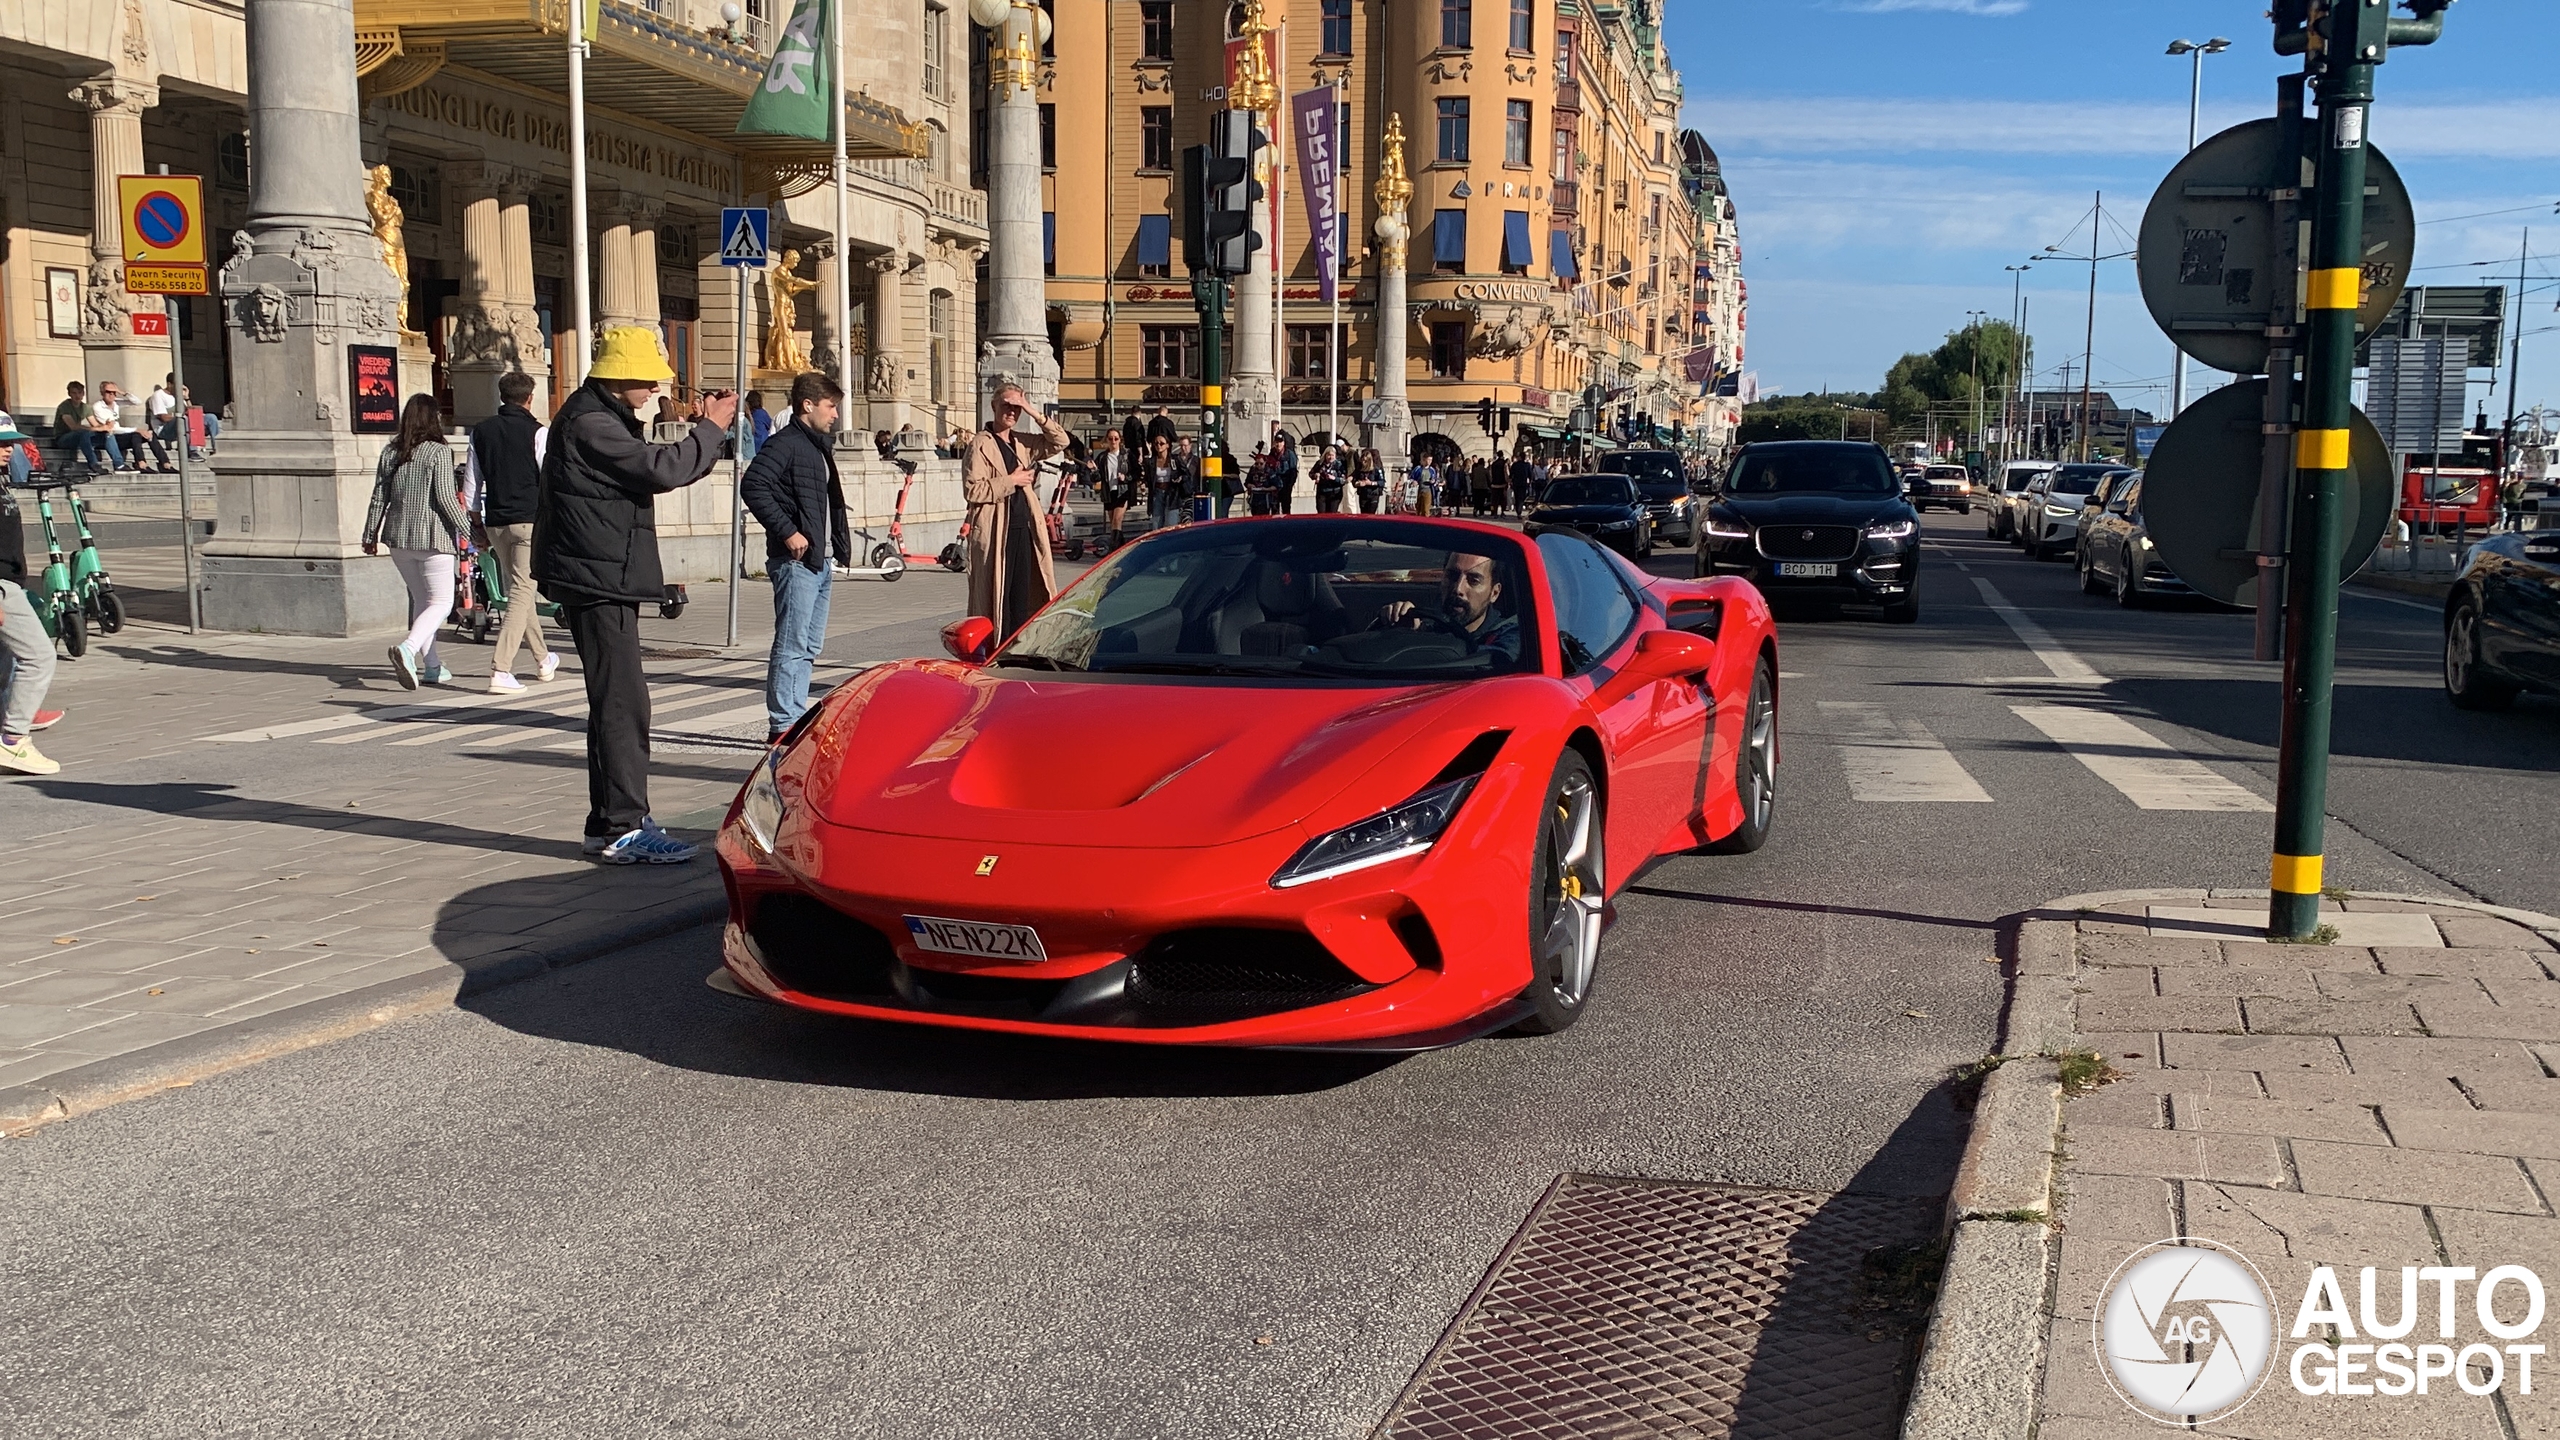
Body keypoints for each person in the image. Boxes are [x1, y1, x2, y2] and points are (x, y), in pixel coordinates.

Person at [533, 325, 738, 865]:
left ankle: (609, 823)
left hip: (601, 574)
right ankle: (623, 826)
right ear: (618, 376)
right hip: (596, 578)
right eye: (646, 379)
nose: (654, 389)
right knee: (624, 703)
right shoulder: (591, 423)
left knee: (614, 702)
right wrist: (712, 429)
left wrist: (703, 433)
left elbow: (659, 464)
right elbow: (661, 469)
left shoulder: (597, 416)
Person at [741, 371, 851, 742]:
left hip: (819, 561)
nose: (835, 414)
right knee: (791, 641)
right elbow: (753, 485)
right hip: (795, 562)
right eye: (830, 406)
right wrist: (787, 531)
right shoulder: (786, 443)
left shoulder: (816, 445)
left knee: (808, 644)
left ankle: (794, 711)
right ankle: (783, 723)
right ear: (808, 405)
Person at [363, 394, 469, 691]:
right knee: (442, 602)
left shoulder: (390, 451)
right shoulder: (437, 452)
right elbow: (447, 500)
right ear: (433, 418)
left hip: (398, 538)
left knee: (422, 601)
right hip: (432, 537)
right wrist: (470, 532)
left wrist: (369, 534)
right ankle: (408, 649)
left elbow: (378, 497)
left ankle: (432, 666)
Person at [471, 371, 556, 694]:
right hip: (529, 520)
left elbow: (472, 481)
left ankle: (543, 658)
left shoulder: (481, 432)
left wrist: (476, 522)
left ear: (501, 396)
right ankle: (501, 668)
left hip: (495, 522)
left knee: (521, 590)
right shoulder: (538, 432)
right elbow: (547, 477)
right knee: (522, 592)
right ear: (530, 398)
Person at [964, 384, 1071, 637]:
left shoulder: (1021, 441)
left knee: (1023, 595)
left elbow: (1061, 441)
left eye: (1016, 408)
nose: (1011, 412)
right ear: (993, 407)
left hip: (1025, 528)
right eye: (1006, 405)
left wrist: (1032, 411)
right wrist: (1011, 481)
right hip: (996, 532)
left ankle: (1019, 643)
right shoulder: (980, 444)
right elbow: (972, 490)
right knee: (997, 596)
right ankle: (996, 646)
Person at [0, 470, 64, 776]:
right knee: (38, 656)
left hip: (10, 582)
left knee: (5, 662)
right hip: (2, 588)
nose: (8, 450)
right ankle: (13, 738)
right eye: (1, 444)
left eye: (10, 443)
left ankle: (11, 720)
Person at [1371, 550, 1521, 665]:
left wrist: (1419, 642)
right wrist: (1400, 631)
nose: (1458, 589)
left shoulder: (1510, 636)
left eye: (1473, 580)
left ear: (1494, 593)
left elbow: (1495, 663)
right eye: (1452, 576)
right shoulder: (1424, 624)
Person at [98, 382, 174, 473]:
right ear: (102, 392)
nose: (111, 394)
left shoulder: (116, 403)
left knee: (150, 434)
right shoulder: (98, 407)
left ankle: (165, 463)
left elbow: (137, 402)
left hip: (121, 436)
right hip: (110, 439)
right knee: (136, 434)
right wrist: (136, 429)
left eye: (114, 392)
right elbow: (112, 429)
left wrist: (122, 392)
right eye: (108, 392)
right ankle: (141, 463)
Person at [52, 382, 114, 472]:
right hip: (62, 438)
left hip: (78, 438)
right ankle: (93, 463)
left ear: (83, 394)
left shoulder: (85, 407)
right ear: (69, 394)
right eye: (74, 393)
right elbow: (73, 427)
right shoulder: (64, 406)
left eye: (80, 393)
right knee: (83, 433)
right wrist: (97, 428)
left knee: (108, 434)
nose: (77, 396)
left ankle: (119, 463)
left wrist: (106, 426)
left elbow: (95, 424)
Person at [1093, 428, 1131, 549]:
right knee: (1113, 523)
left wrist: (1126, 477)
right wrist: (1093, 470)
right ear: (1107, 440)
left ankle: (1115, 548)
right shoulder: (1102, 457)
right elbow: (1096, 477)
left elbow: (1136, 472)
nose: (1113, 441)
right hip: (1109, 492)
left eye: (1116, 438)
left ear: (1120, 440)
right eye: (1110, 439)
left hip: (1123, 491)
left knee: (1117, 519)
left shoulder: (1126, 455)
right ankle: (1122, 546)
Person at [1143, 432, 1184, 534]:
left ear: (1167, 445)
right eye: (1156, 443)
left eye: (1161, 443)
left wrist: (1180, 479)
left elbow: (1185, 473)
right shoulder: (1151, 461)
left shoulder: (1174, 459)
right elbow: (1148, 478)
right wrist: (1144, 483)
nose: (1158, 446)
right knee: (1157, 523)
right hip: (1157, 493)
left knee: (1171, 522)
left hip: (1172, 493)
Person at [1271, 432, 1299, 515]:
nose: (1278, 444)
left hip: (1285, 484)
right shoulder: (1271, 453)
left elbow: (1293, 471)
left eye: (1280, 442)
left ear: (1284, 443)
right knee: (1274, 507)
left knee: (1286, 507)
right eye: (1276, 442)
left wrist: (1290, 485)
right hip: (1274, 485)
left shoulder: (1290, 454)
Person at [1312, 444, 1345, 514]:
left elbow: (1343, 480)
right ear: (1325, 455)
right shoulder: (1320, 463)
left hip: (1334, 493)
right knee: (1321, 513)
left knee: (1332, 514)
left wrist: (1334, 478)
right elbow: (1311, 473)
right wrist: (1316, 475)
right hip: (1322, 492)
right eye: (1329, 455)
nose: (1330, 457)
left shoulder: (1339, 465)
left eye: (1332, 455)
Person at [1354, 447, 1385, 514]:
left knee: (1371, 514)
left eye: (1365, 461)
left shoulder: (1376, 470)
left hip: (1373, 495)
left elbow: (1382, 482)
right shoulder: (1359, 470)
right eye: (1362, 461)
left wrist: (1371, 483)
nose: (1363, 463)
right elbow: (1354, 480)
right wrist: (1358, 483)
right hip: (1363, 495)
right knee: (1363, 514)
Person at [1409, 452, 1438, 516]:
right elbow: (1411, 477)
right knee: (1418, 509)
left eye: (1431, 460)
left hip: (1427, 490)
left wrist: (1433, 481)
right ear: (1424, 459)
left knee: (1426, 509)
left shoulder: (1432, 470)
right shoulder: (1418, 469)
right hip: (1418, 490)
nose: (1430, 461)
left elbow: (1435, 480)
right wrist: (1413, 481)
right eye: (1428, 460)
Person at [745, 391, 772, 456]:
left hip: (750, 444)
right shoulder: (762, 413)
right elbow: (770, 424)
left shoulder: (748, 413)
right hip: (762, 443)